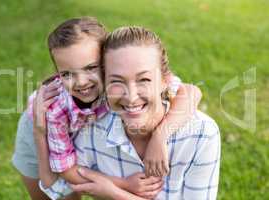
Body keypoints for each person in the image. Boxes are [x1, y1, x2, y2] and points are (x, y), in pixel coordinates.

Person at [12, 17, 201, 199]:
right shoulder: (55, 110)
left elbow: (192, 92)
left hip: (82, 130)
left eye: (91, 67)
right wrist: (123, 185)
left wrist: (160, 136)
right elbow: (64, 171)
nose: (81, 82)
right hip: (40, 126)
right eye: (67, 73)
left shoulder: (120, 83)